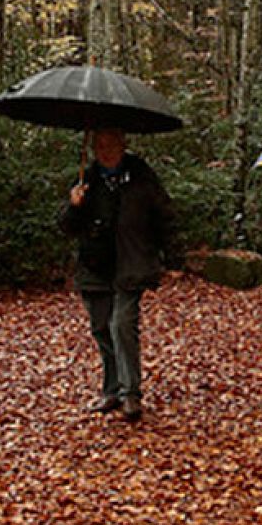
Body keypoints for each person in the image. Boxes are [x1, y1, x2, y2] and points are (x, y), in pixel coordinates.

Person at [58, 127, 176, 422]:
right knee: (101, 328)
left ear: (123, 145)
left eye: (111, 144)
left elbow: (165, 215)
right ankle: (111, 389)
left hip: (132, 263)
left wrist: (171, 257)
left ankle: (130, 394)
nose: (105, 150)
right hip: (96, 266)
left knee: (122, 324)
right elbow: (67, 227)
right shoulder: (87, 179)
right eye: (99, 145)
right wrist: (74, 207)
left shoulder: (141, 176)